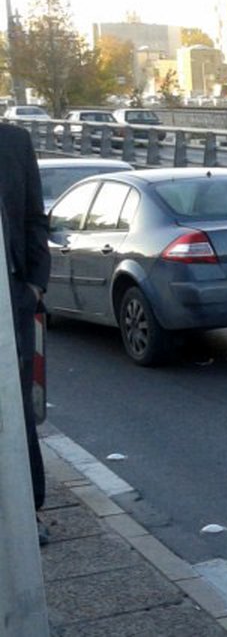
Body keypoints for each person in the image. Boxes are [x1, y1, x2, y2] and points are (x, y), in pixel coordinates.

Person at [0, 123, 50, 543]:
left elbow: (35, 218)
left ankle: (28, 511)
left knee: (14, 407)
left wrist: (33, 285)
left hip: (10, 295)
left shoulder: (14, 142)